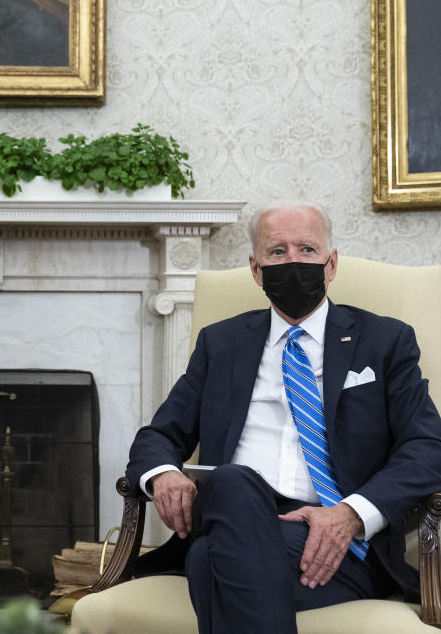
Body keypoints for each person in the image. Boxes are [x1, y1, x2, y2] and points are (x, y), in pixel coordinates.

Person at [126, 203, 441, 633]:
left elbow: (427, 447)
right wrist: (163, 474)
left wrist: (350, 514)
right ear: (256, 270)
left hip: (339, 538)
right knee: (233, 481)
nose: (293, 262)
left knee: (206, 560)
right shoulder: (221, 344)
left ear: (331, 265)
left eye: (307, 249)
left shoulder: (384, 342)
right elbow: (159, 434)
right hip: (232, 507)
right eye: (277, 252)